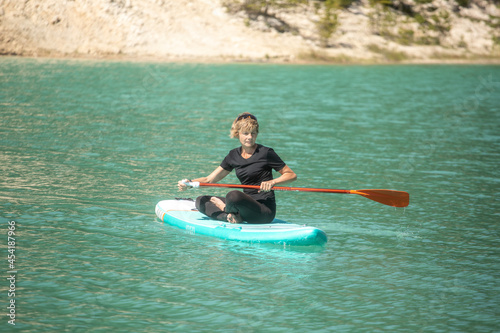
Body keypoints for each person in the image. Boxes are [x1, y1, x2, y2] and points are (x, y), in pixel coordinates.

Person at [178, 113, 297, 224]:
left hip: (263, 212)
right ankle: (230, 217)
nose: (250, 137)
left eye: (253, 133)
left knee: (233, 195)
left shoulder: (266, 153)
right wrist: (189, 183)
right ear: (237, 134)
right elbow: (209, 180)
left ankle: (227, 210)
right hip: (242, 207)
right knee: (201, 200)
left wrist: (273, 182)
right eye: (246, 133)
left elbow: (291, 175)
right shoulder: (233, 156)